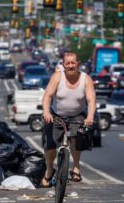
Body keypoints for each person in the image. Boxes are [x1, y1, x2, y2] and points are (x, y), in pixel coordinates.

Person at [40, 52, 96, 187]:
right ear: (63, 65)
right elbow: (47, 96)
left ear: (78, 64)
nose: (71, 65)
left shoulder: (86, 79)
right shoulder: (57, 77)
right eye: (68, 63)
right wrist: (46, 112)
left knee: (77, 137)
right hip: (56, 115)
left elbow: (91, 100)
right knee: (50, 146)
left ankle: (76, 167)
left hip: (77, 115)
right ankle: (49, 170)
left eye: (73, 62)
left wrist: (90, 116)